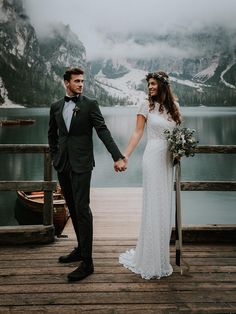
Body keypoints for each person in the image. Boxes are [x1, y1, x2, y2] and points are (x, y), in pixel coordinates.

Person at [48, 67, 126, 282]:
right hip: (63, 164)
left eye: (82, 81)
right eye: (76, 81)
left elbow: (103, 131)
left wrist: (117, 156)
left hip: (82, 165)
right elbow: (52, 135)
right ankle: (80, 249)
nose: (81, 84)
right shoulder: (56, 106)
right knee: (71, 207)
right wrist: (55, 158)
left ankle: (88, 263)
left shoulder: (90, 104)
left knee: (82, 209)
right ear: (66, 82)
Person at [119, 71, 182, 279]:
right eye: (149, 84)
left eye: (154, 84)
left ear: (163, 85)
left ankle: (161, 255)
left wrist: (180, 149)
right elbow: (137, 133)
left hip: (168, 161)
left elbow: (177, 135)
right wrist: (125, 155)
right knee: (153, 204)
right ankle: (149, 259)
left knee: (164, 205)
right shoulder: (145, 105)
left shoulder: (174, 107)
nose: (150, 87)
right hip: (152, 157)